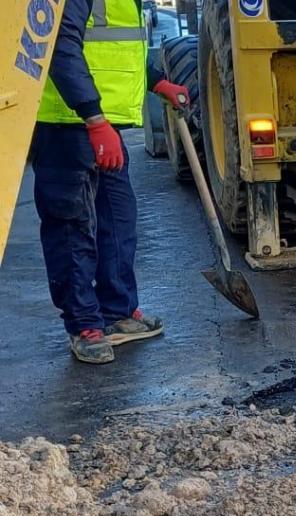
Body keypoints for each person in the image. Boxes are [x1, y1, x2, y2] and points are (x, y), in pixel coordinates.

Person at [33, 0, 190, 364]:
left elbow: (119, 46)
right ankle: (85, 324)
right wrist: (92, 116)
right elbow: (59, 44)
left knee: (117, 220)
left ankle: (117, 311)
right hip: (69, 122)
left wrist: (156, 80)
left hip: (104, 121)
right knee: (72, 224)